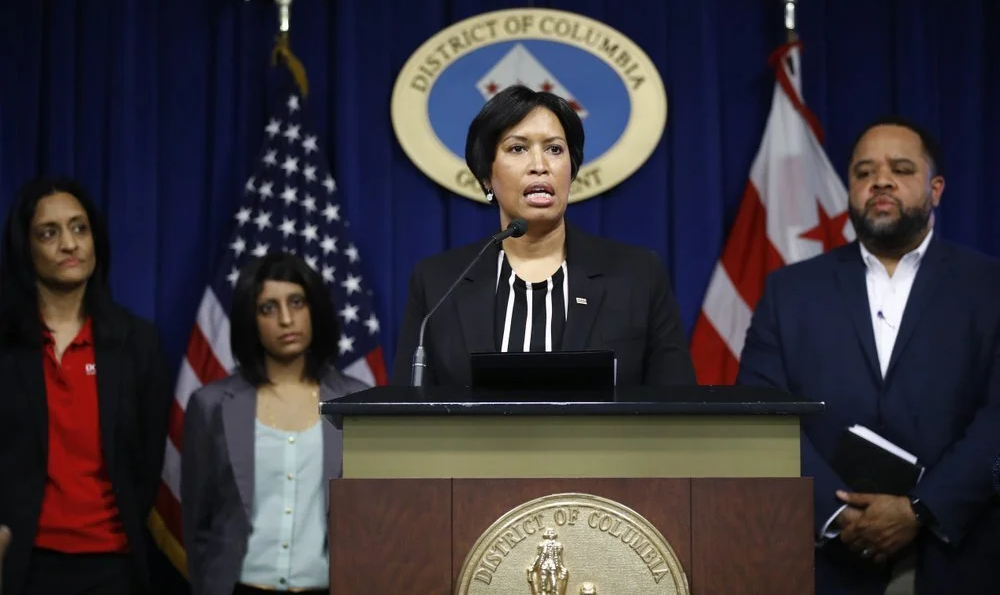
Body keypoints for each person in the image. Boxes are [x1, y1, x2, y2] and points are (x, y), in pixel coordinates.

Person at [736, 117, 1000, 594]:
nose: (880, 180)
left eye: (901, 169)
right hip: (825, 560)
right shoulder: (789, 291)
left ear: (935, 188)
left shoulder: (989, 286)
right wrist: (836, 513)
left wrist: (922, 509)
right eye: (863, 172)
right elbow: (760, 413)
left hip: (961, 554)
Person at [391, 85, 695, 386]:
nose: (540, 166)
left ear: (571, 172)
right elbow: (405, 416)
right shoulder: (438, 284)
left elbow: (677, 409)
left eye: (554, 149)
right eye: (518, 148)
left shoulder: (637, 275)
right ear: (487, 177)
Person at [0, 177, 172, 595]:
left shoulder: (137, 343)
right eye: (49, 232)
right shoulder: (6, 346)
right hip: (23, 564)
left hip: (114, 566)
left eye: (80, 228)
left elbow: (148, 461)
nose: (69, 244)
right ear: (27, 248)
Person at [181, 252, 368, 595]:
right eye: (268, 308)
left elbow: (373, 519)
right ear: (249, 320)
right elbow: (197, 523)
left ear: (315, 308)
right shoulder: (210, 405)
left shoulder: (357, 403)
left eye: (296, 302)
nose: (286, 319)